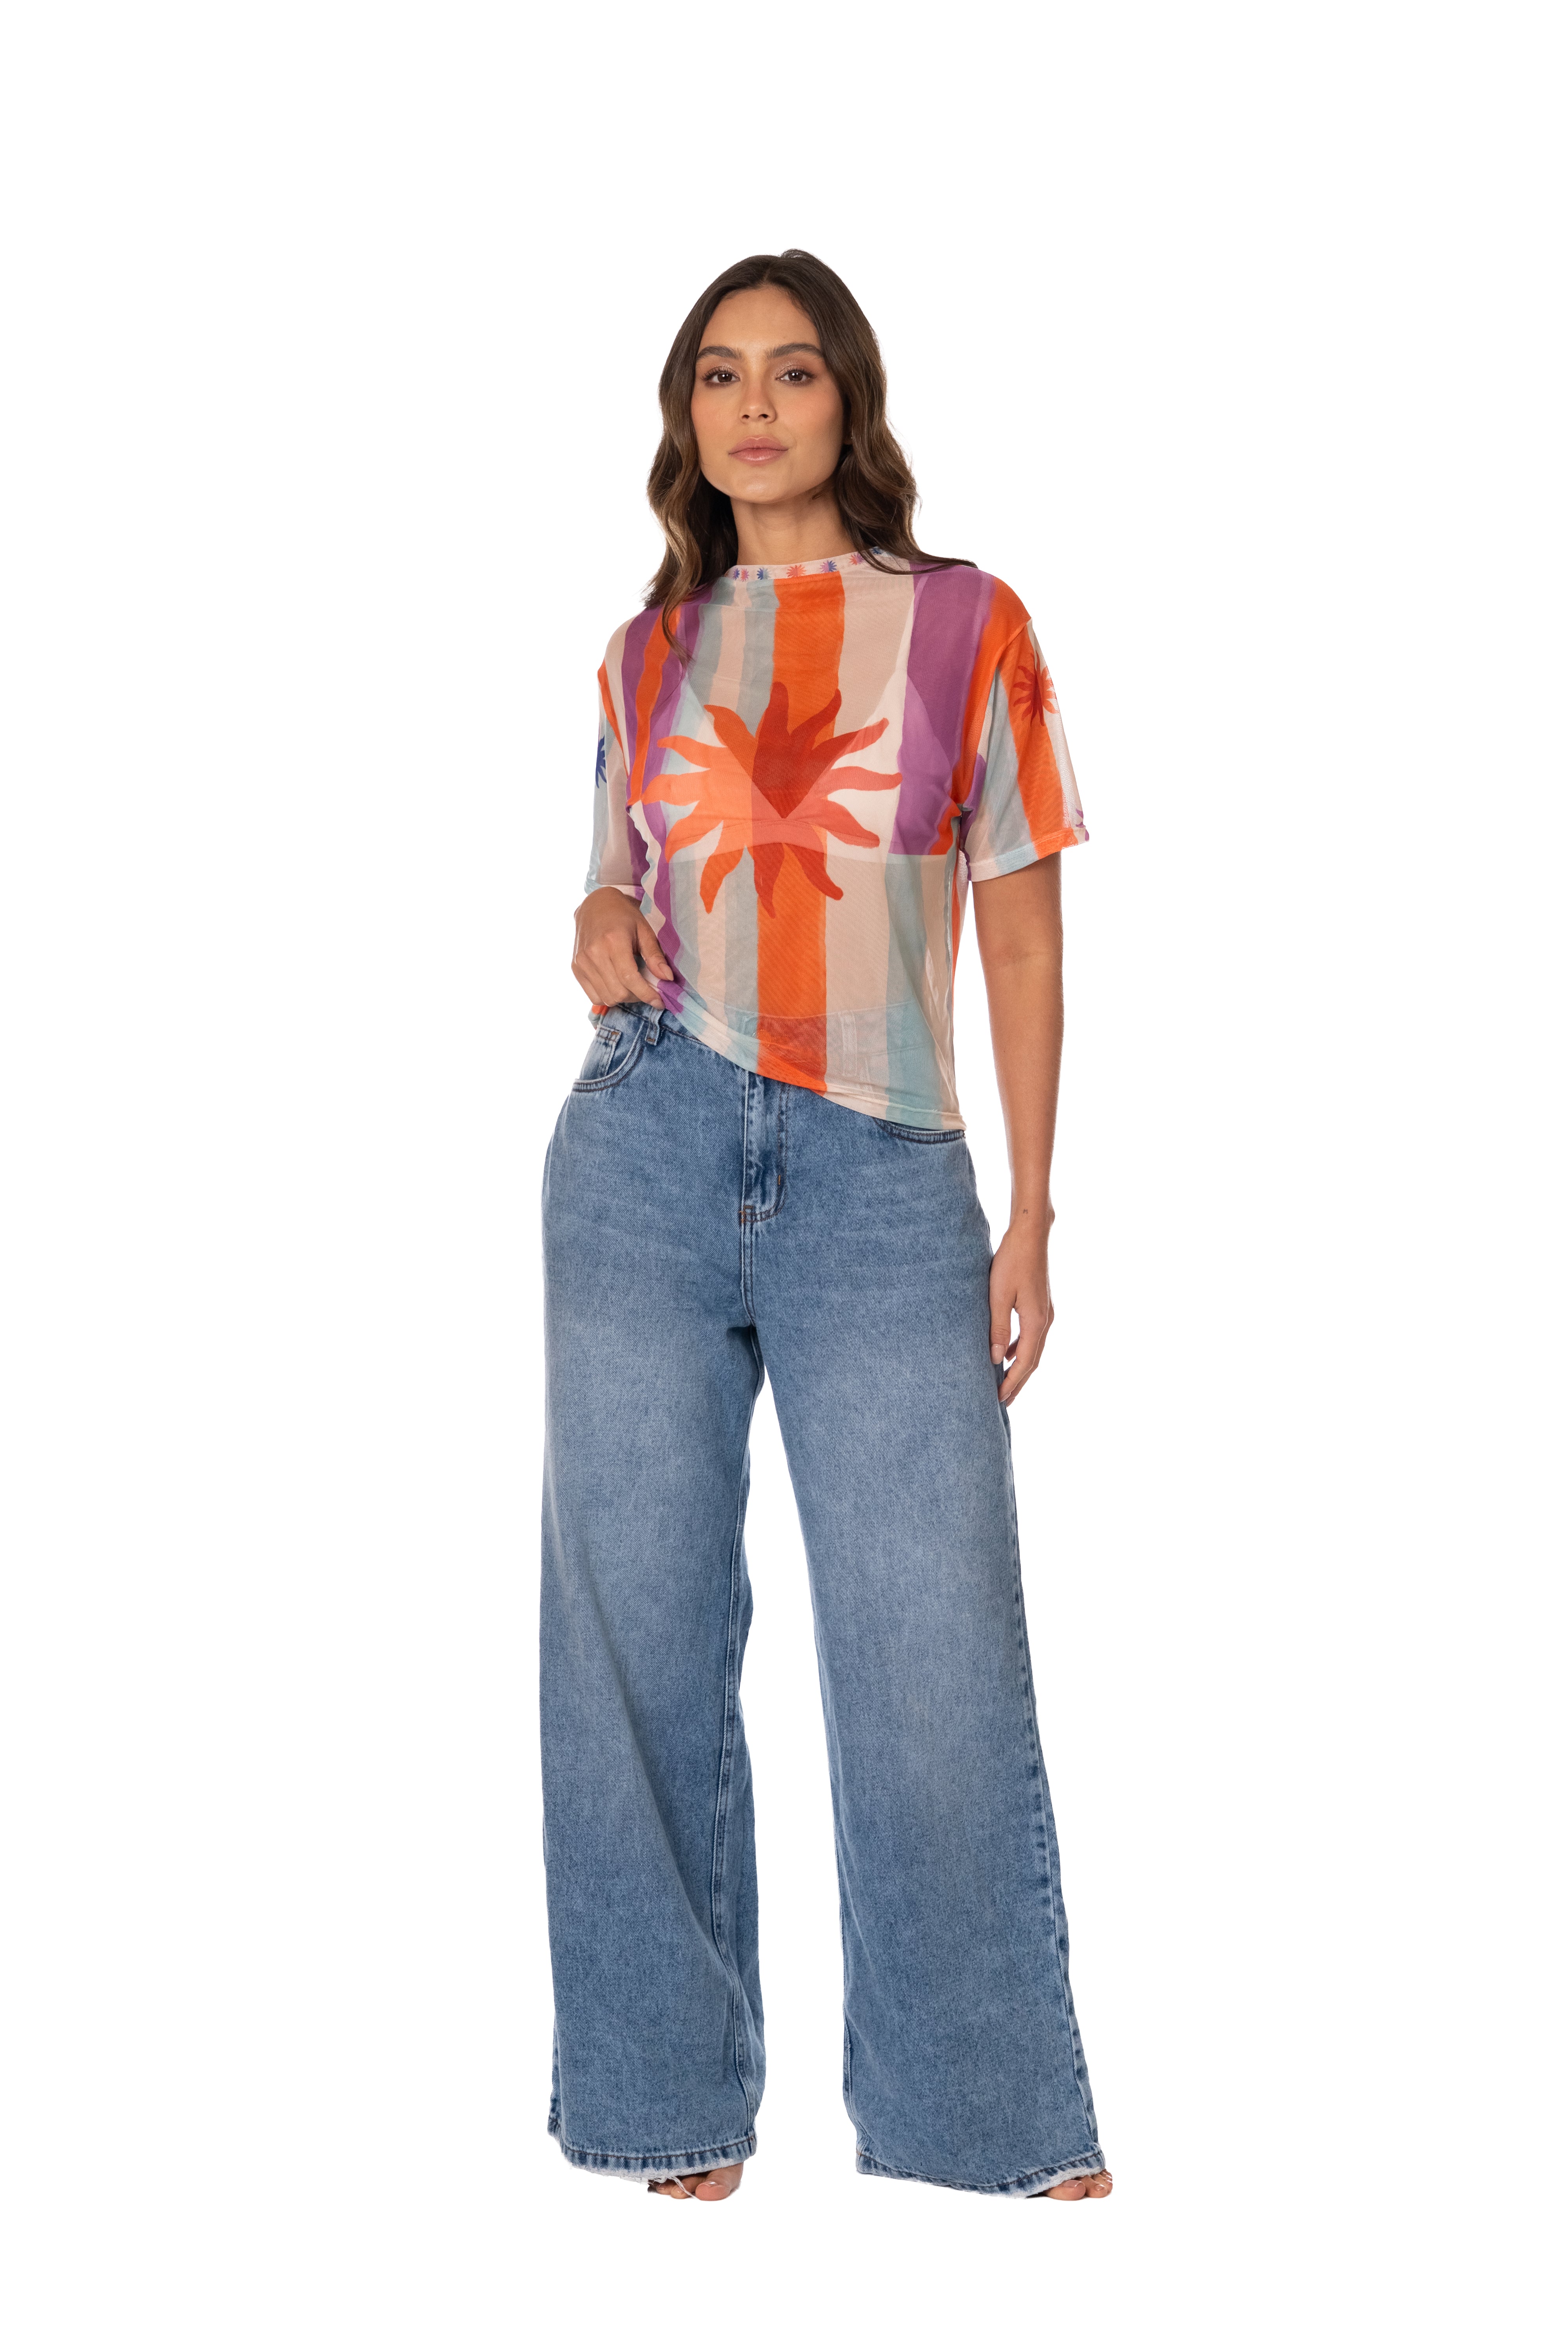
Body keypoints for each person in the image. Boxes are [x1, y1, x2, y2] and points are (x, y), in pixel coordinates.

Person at [541, 249, 1111, 2205]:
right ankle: (661, 2100)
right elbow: (611, 894)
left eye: (792, 372)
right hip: (643, 1145)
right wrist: (591, 923)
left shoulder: (965, 626)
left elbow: (1020, 932)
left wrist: (1030, 1212)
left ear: (848, 404)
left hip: (881, 1169)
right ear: (686, 419)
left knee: (929, 1641)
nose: (754, 407)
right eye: (719, 376)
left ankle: (982, 2114)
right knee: (628, 1639)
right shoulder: (644, 652)